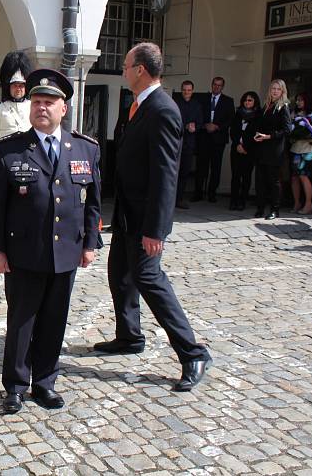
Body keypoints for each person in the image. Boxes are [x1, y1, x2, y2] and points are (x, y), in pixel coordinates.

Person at [96, 42, 212, 392]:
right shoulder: (137, 107)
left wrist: (156, 229)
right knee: (119, 274)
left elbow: (166, 175)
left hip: (146, 218)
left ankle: (192, 352)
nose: (123, 71)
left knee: (150, 280)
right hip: (128, 213)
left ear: (141, 70)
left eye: (126, 66)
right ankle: (129, 336)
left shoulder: (162, 110)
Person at [0, 68, 101, 414]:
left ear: (63, 108)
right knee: (21, 321)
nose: (42, 108)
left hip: (66, 250)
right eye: (37, 101)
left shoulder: (85, 148)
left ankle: (45, 383)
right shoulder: (10, 149)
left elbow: (93, 200)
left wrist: (91, 243)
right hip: (24, 251)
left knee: (54, 319)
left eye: (49, 102)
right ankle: (16, 387)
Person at [0, 51, 33, 179]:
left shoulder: (32, 106)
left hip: (27, 157)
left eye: (21, 85)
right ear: (8, 87)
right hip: (5, 157)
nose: (18, 89)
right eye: (15, 85)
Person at [252, 80, 291, 220]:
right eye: (273, 88)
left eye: (278, 89)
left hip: (274, 149)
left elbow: (286, 130)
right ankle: (260, 208)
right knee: (260, 180)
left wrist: (269, 136)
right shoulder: (266, 105)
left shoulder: (283, 107)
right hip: (262, 147)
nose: (275, 91)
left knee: (273, 181)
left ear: (282, 91)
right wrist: (258, 135)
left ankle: (275, 210)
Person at [193, 76, 234, 202]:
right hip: (204, 136)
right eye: (215, 84)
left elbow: (231, 119)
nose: (217, 87)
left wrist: (217, 126)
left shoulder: (228, 101)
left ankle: (212, 193)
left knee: (216, 167)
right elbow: (197, 114)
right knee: (201, 166)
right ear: (211, 85)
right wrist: (205, 125)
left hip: (218, 138)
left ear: (223, 87)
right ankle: (198, 192)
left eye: (219, 85)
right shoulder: (203, 99)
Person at [289, 93, 312, 215]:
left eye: (301, 100)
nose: (298, 102)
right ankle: (297, 203)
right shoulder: (294, 113)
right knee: (294, 177)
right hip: (296, 149)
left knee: (304, 176)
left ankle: (308, 204)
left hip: (309, 149)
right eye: (297, 100)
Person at [228, 91, 261, 210]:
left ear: (255, 102)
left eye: (250, 100)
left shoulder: (258, 115)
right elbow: (233, 131)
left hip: (249, 151)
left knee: (246, 177)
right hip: (236, 149)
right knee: (235, 176)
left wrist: (245, 147)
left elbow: (256, 133)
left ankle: (242, 201)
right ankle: (233, 201)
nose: (247, 102)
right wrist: (237, 144)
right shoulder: (238, 113)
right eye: (245, 100)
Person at [173, 80, 202, 209]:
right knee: (173, 173)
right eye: (184, 89)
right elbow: (172, 122)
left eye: (189, 90)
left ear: (192, 91)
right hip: (175, 144)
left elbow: (200, 123)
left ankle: (179, 199)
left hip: (189, 144)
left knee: (184, 173)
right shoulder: (175, 104)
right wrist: (185, 126)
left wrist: (195, 127)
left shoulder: (197, 105)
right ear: (181, 90)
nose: (186, 92)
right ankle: (170, 199)